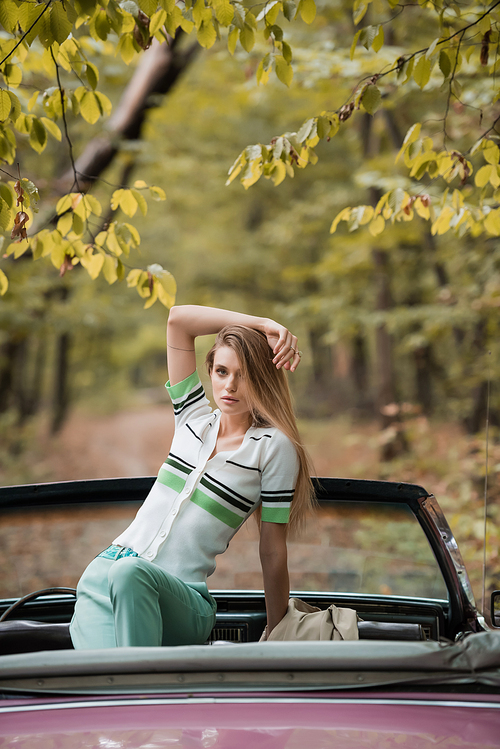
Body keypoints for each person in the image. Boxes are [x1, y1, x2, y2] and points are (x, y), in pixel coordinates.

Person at [70, 305, 315, 649]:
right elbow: (178, 320)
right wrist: (261, 324)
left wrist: (277, 631)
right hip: (104, 577)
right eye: (221, 371)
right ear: (211, 371)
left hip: (181, 599)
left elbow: (272, 550)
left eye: (244, 375)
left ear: (263, 378)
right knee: (100, 684)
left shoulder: (273, 447)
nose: (230, 385)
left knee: (131, 578)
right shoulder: (192, 418)